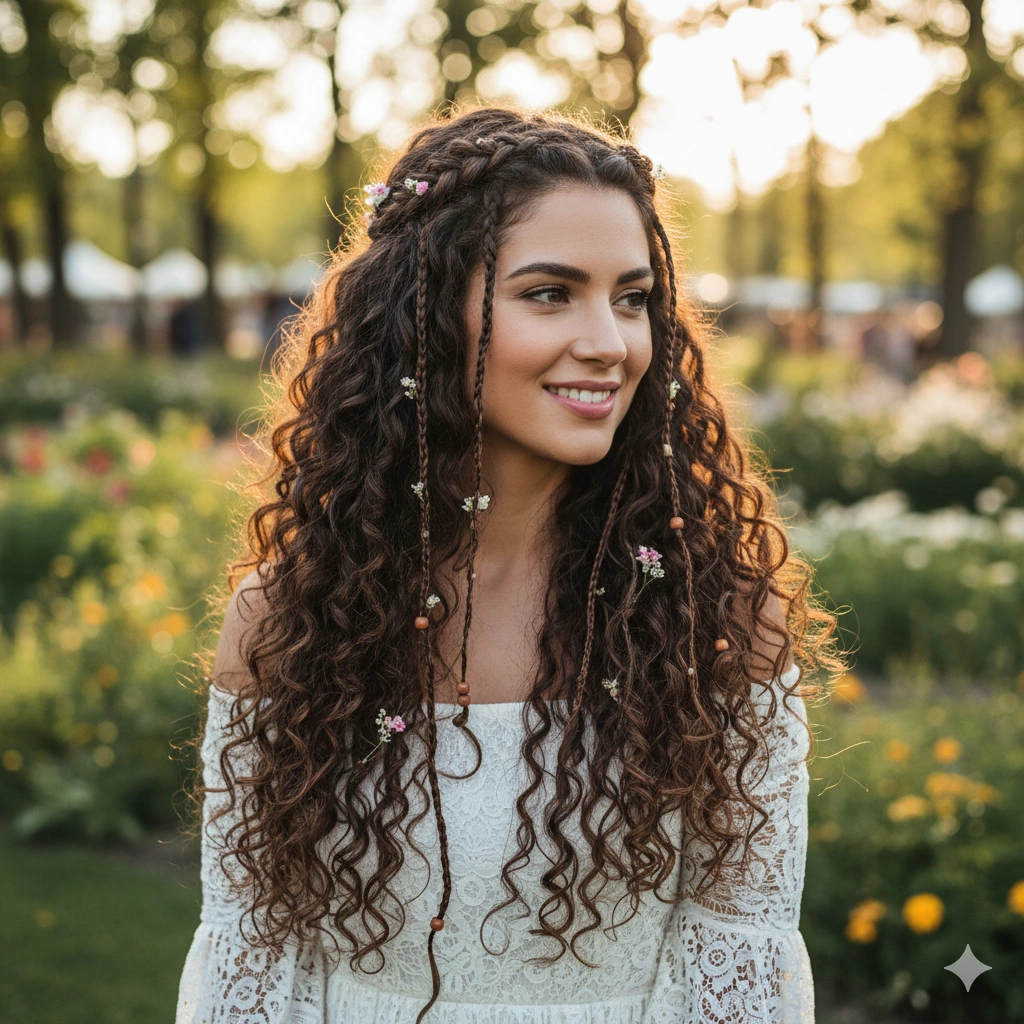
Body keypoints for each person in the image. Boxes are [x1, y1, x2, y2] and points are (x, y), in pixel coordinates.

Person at [175, 106, 845, 1024]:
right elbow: (248, 962)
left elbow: (742, 965)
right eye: (549, 293)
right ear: (423, 317)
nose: (610, 342)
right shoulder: (290, 618)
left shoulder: (716, 618)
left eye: (633, 297)